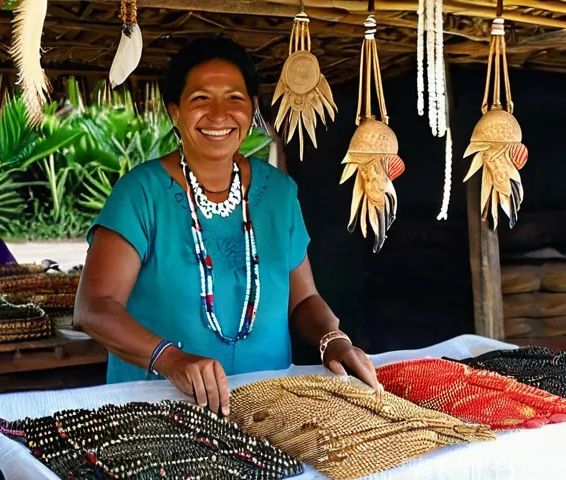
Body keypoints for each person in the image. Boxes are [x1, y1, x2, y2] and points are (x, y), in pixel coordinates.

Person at [74, 38, 381, 416]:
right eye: (200, 99)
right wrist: (171, 360)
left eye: (234, 99)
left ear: (252, 109)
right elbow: (94, 308)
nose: (219, 115)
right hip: (158, 410)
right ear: (175, 111)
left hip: (268, 408)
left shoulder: (279, 194)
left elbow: (303, 299)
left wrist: (332, 339)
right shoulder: (140, 193)